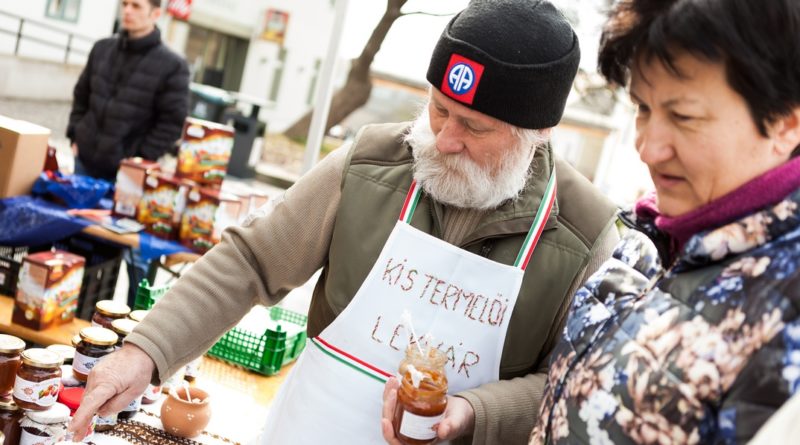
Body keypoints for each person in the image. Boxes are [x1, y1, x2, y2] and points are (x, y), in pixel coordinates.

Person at [69, 0, 619, 443]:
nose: (445, 140)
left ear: (538, 132)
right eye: (439, 109)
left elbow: (571, 388)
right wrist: (146, 351)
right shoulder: (373, 160)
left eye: (474, 128)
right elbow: (252, 260)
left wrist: (475, 414)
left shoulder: (586, 236)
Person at [531, 0, 800, 443]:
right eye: (642, 107)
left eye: (683, 117)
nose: (648, 147)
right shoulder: (648, 240)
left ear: (785, 124)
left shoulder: (785, 311)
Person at [67, 0, 189, 181]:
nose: (127, 11)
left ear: (155, 14)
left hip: (126, 174)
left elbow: (172, 123)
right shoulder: (101, 49)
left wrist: (141, 158)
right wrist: (75, 135)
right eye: (125, 4)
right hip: (84, 162)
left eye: (136, 6)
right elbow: (81, 95)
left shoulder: (173, 65)